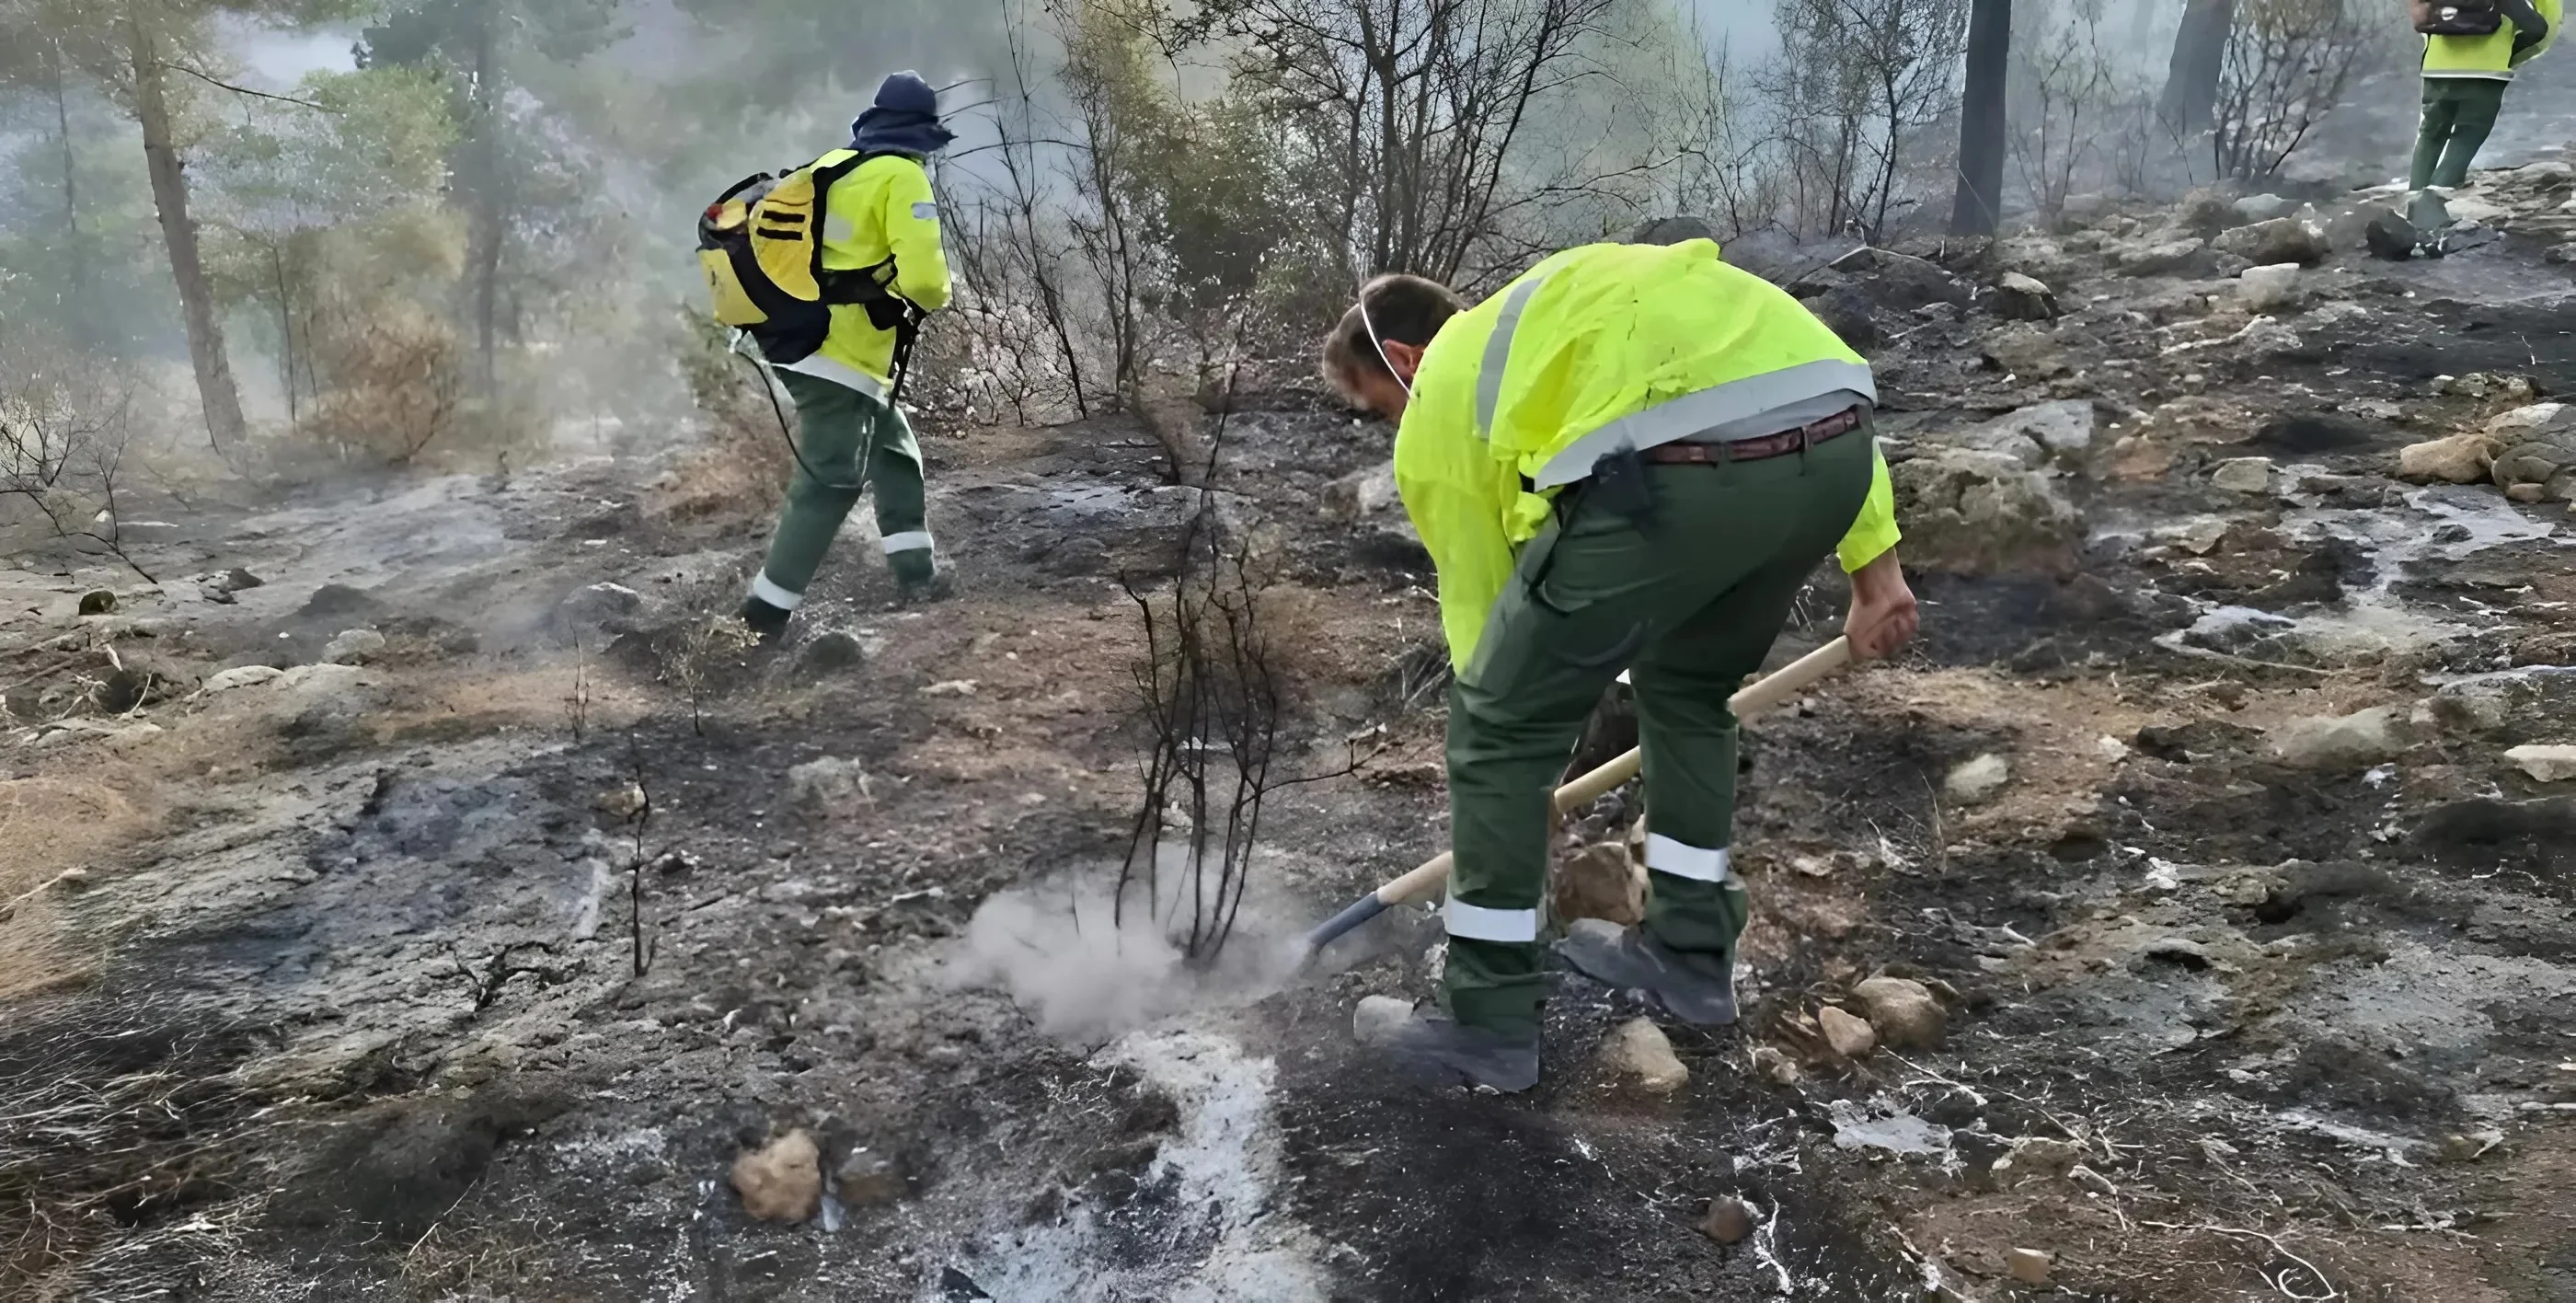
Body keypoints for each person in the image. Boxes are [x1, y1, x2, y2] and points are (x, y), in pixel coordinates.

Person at [1321, 239, 1918, 1092]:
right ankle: (1689, 954)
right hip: (1836, 440)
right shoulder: (1566, 324)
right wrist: (1877, 572)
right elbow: (1787, 383)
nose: (1392, 425)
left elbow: (1487, 631)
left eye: (1381, 405)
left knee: (1496, 729)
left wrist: (1516, 766)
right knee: (1689, 688)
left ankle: (1488, 1025)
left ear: (1406, 360)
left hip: (1687, 466)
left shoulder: (1448, 394)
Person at [740, 71, 956, 640]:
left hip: (793, 336)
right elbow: (929, 283)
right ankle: (763, 615)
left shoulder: (833, 165)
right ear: (923, 136)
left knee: (894, 447)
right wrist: (921, 298)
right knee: (831, 481)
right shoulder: (902, 176)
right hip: (842, 351)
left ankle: (917, 573)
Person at [2409, 0, 2560, 218]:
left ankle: (2411, 208)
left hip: (2437, 69)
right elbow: (2539, 30)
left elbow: (2421, 18)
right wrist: (2509, 53)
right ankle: (2428, 214)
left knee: (2430, 136)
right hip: (2485, 73)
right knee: (2467, 137)